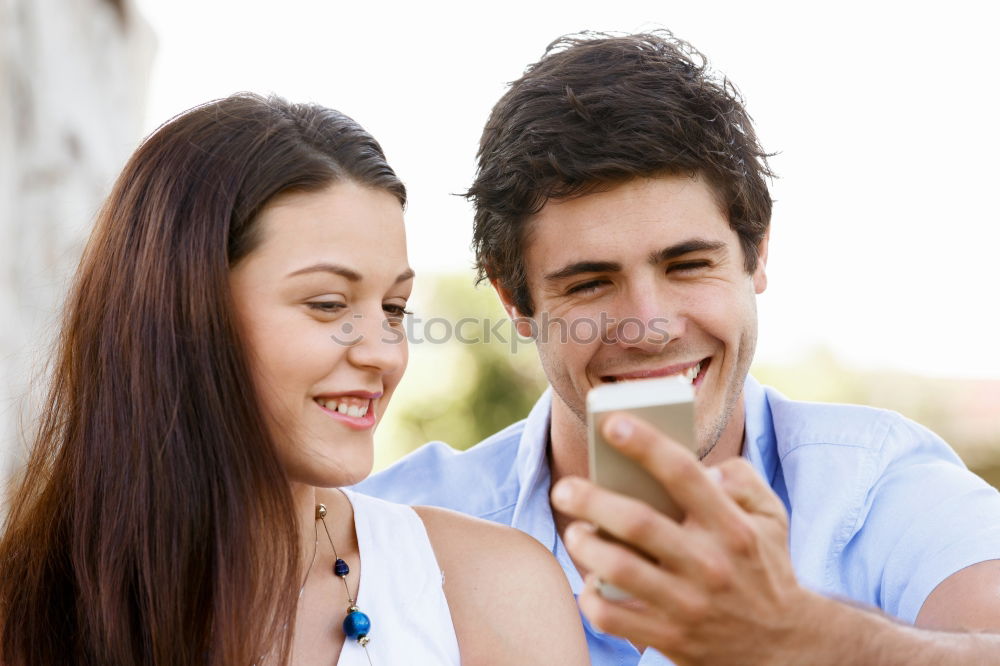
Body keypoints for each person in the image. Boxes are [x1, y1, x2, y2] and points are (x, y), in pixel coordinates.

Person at [356, 31, 1000, 664]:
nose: (649, 327)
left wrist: (802, 636)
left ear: (757, 255)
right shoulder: (392, 526)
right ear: (515, 302)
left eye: (688, 265)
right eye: (589, 282)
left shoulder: (878, 487)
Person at [0, 93, 588, 666]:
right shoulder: (27, 608)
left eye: (393, 309)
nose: (384, 354)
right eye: (330, 304)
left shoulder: (496, 590)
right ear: (182, 312)